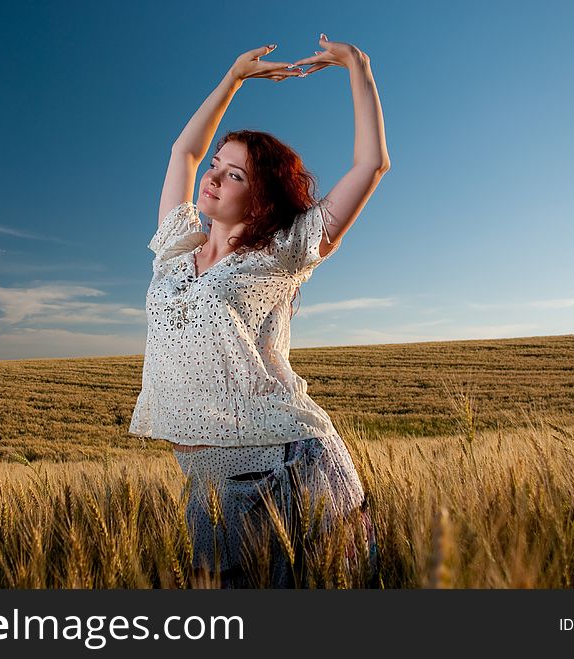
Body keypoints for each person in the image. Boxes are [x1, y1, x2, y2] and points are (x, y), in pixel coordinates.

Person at [129, 34, 391, 587]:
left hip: (287, 467)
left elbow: (371, 165)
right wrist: (233, 79)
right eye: (219, 165)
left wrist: (357, 67)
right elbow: (184, 152)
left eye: (236, 174)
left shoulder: (284, 251)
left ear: (263, 196)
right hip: (207, 478)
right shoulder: (175, 245)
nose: (215, 177)